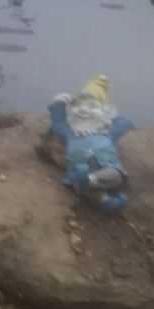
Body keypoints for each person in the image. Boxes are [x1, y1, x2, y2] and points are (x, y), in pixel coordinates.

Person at [40, 74, 134, 214]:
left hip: (105, 170)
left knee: (115, 176)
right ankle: (106, 201)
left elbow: (126, 122)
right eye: (78, 105)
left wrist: (109, 117)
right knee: (84, 184)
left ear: (105, 111)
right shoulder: (70, 134)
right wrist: (58, 103)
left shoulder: (107, 132)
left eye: (92, 106)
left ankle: (90, 182)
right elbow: (58, 123)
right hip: (78, 170)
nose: (83, 110)